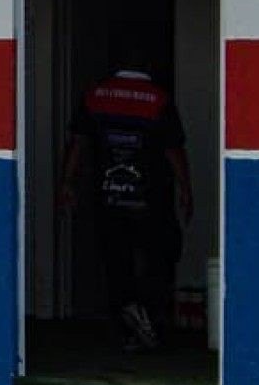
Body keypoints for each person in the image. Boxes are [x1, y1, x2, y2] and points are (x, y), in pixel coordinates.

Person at [58, 53, 193, 351]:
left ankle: (128, 323)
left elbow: (77, 143)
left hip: (107, 194)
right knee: (161, 253)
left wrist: (67, 184)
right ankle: (145, 312)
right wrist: (186, 189)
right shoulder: (158, 99)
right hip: (151, 196)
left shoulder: (96, 96)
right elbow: (174, 150)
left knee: (116, 260)